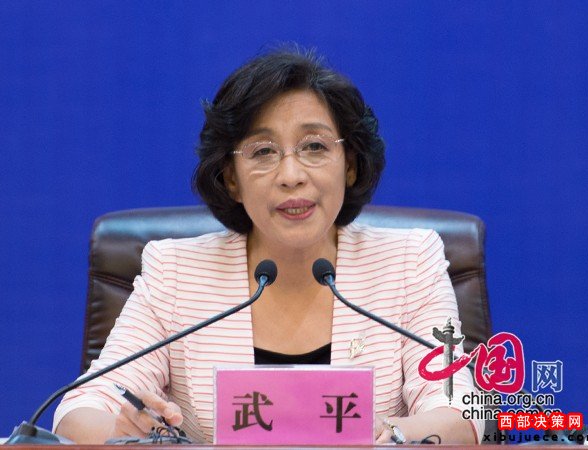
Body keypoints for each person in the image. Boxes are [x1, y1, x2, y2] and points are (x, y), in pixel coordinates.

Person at [54, 48, 483, 444]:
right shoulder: (175, 272)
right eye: (263, 152)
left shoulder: (409, 263)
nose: (291, 175)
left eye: (314, 146)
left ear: (350, 165)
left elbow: (459, 413)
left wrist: (387, 435)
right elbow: (79, 411)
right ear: (231, 178)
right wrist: (122, 431)